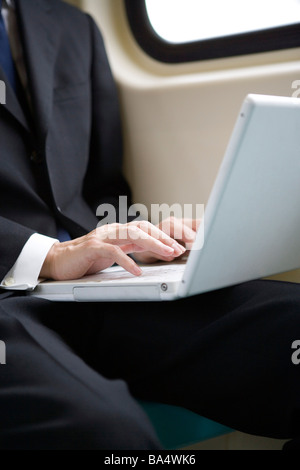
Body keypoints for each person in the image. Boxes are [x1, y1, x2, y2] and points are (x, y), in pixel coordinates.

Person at [0, 0, 300, 450]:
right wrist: (47, 255)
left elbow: (100, 185)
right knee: (105, 433)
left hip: (101, 285)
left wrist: (137, 239)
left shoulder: (72, 25)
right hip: (8, 297)